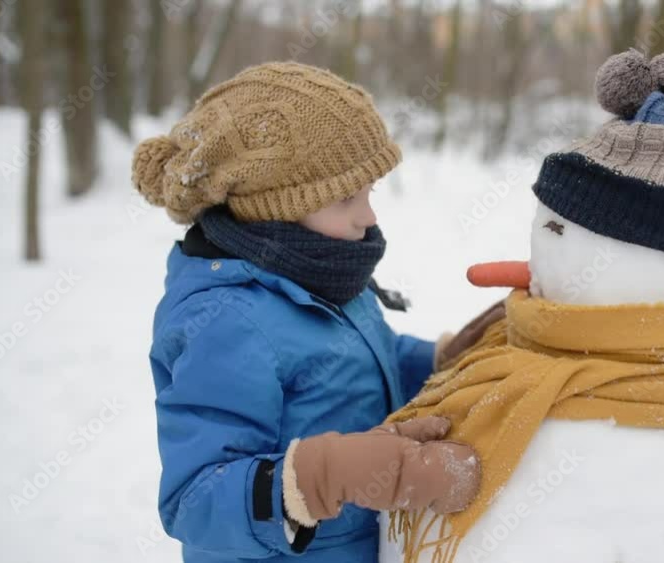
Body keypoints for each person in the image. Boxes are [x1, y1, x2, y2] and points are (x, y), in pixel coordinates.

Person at [131, 61, 491, 563]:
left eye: (369, 192)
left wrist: (439, 358)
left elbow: (356, 361)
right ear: (275, 206)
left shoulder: (323, 271)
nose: (368, 217)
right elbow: (194, 500)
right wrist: (323, 475)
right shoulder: (226, 321)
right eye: (346, 197)